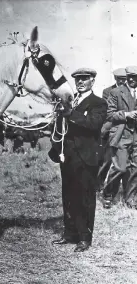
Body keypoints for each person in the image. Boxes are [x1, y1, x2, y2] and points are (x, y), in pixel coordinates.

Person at [48, 68, 107, 252]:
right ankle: (69, 234)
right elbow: (60, 125)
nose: (80, 82)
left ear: (92, 81)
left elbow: (93, 124)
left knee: (85, 197)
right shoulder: (69, 100)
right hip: (67, 156)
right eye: (78, 79)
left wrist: (69, 114)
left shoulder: (99, 103)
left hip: (86, 158)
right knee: (68, 195)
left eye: (84, 79)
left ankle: (84, 238)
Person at [102, 66, 137, 209]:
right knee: (121, 168)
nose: (131, 79)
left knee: (135, 169)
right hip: (122, 135)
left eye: (135, 77)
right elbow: (109, 114)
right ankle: (108, 195)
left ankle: (131, 199)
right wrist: (126, 114)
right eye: (130, 76)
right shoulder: (116, 92)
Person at [97, 68, 127, 194]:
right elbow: (109, 111)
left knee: (124, 161)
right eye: (119, 79)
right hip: (111, 128)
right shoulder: (107, 91)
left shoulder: (129, 92)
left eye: (123, 79)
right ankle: (98, 186)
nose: (122, 81)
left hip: (125, 128)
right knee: (106, 160)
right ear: (115, 78)